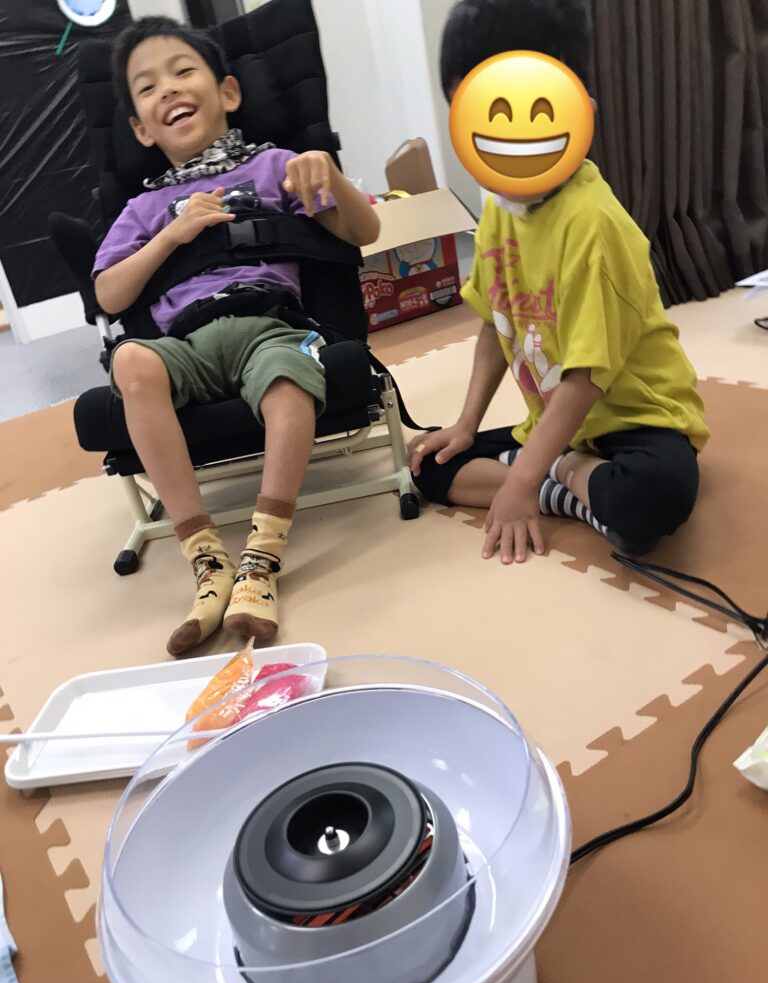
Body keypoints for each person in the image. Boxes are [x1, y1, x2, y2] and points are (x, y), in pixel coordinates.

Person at [94, 17, 380, 655]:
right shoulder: (141, 210)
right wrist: (172, 235)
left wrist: (328, 174)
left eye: (182, 71)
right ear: (141, 129)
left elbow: (363, 234)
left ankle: (261, 558)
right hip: (185, 346)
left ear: (227, 92)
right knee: (131, 362)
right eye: (148, 86)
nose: (169, 89)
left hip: (268, 327)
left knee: (289, 378)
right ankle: (206, 560)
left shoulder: (275, 168)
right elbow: (109, 294)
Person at [409, 0, 709, 564]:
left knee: (656, 496)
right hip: (555, 427)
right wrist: (466, 424)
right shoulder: (498, 210)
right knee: (429, 464)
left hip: (637, 422)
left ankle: (561, 476)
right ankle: (575, 490)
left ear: (579, 112)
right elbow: (494, 323)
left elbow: (585, 379)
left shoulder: (592, 224)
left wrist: (526, 477)